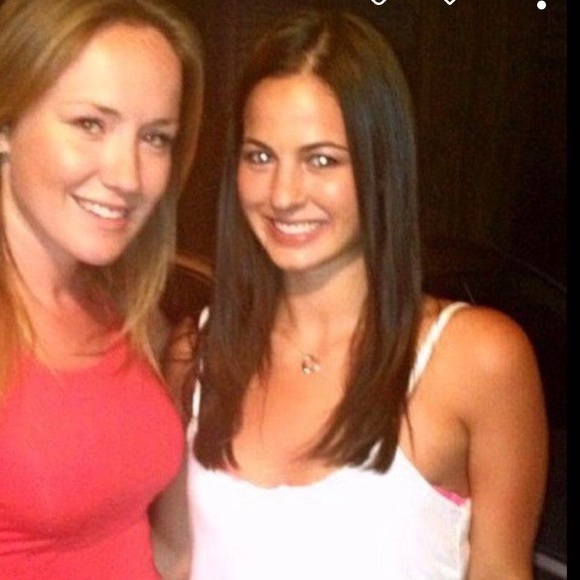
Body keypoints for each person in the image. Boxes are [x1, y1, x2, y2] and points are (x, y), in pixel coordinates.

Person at [165, 8, 548, 579]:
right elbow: (175, 556)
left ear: (381, 164)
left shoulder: (475, 359)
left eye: (322, 159)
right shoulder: (198, 352)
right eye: (260, 156)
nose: (283, 194)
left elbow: (501, 571)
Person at [0, 0, 203, 578]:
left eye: (155, 138)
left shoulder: (125, 308)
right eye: (91, 124)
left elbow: (161, 544)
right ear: (6, 123)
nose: (128, 176)